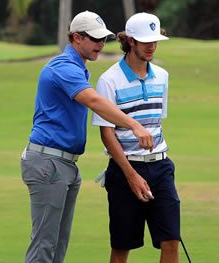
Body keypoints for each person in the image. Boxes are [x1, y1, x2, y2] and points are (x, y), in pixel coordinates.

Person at [20, 10, 154, 263]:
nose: (101, 44)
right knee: (44, 245)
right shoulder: (64, 67)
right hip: (49, 163)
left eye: (103, 38)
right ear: (76, 38)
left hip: (65, 164)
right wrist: (134, 125)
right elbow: (93, 100)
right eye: (94, 39)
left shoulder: (78, 68)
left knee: (58, 244)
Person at [91, 13, 181, 263]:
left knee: (171, 240)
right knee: (122, 246)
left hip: (161, 166)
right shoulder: (109, 80)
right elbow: (107, 134)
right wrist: (131, 174)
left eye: (155, 41)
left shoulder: (162, 76)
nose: (151, 47)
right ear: (130, 41)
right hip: (124, 169)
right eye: (145, 41)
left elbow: (156, 122)